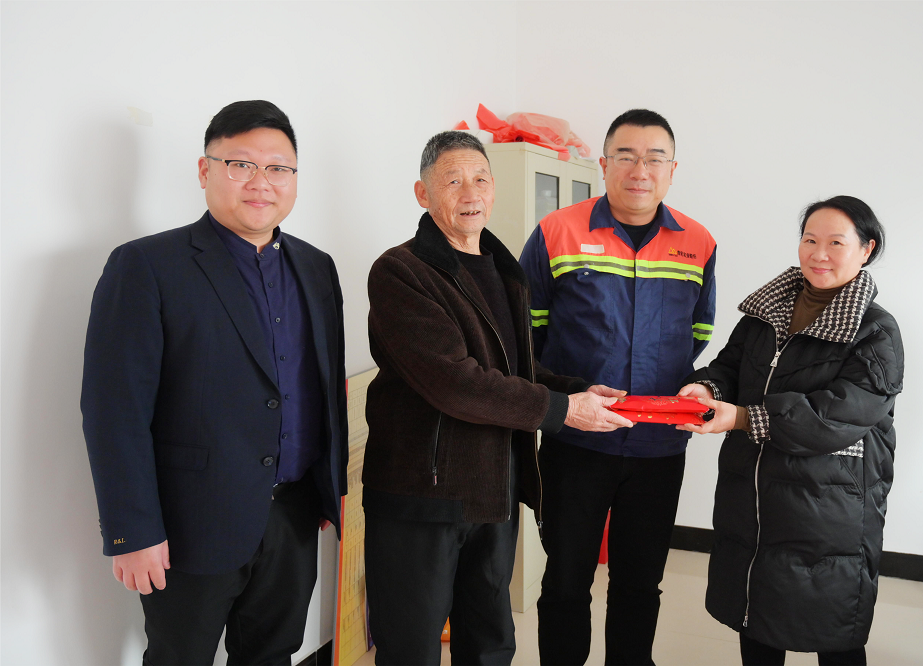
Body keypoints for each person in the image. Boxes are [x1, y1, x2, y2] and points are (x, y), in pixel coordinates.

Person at [81, 100, 348, 665]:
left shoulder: (316, 267)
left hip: (294, 515)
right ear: (205, 171)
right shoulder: (147, 265)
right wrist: (132, 531)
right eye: (241, 164)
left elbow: (324, 389)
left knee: (274, 654)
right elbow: (114, 411)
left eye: (278, 168)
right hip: (191, 523)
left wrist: (328, 488)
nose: (261, 182)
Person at [363, 130, 633, 666]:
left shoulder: (503, 267)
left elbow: (517, 369)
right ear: (423, 193)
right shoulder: (400, 271)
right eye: (453, 181)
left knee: (490, 643)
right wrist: (563, 411)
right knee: (411, 647)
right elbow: (455, 382)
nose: (471, 193)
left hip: (495, 489)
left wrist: (575, 390)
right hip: (423, 495)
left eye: (481, 179)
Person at [519, 108, 717, 665]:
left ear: (672, 170)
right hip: (577, 440)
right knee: (566, 578)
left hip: (658, 446)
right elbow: (527, 332)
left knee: (640, 581)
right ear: (603, 165)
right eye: (625, 156)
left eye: (655, 158)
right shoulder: (557, 232)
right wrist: (569, 397)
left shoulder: (698, 242)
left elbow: (698, 332)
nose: (640, 170)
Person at [677, 196, 903, 666]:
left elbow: (837, 415)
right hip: (753, 494)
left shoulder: (875, 331)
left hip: (829, 506)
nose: (819, 254)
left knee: (834, 629)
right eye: (810, 240)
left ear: (866, 249)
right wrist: (707, 387)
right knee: (756, 617)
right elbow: (731, 366)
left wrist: (744, 418)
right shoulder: (766, 313)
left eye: (836, 243)